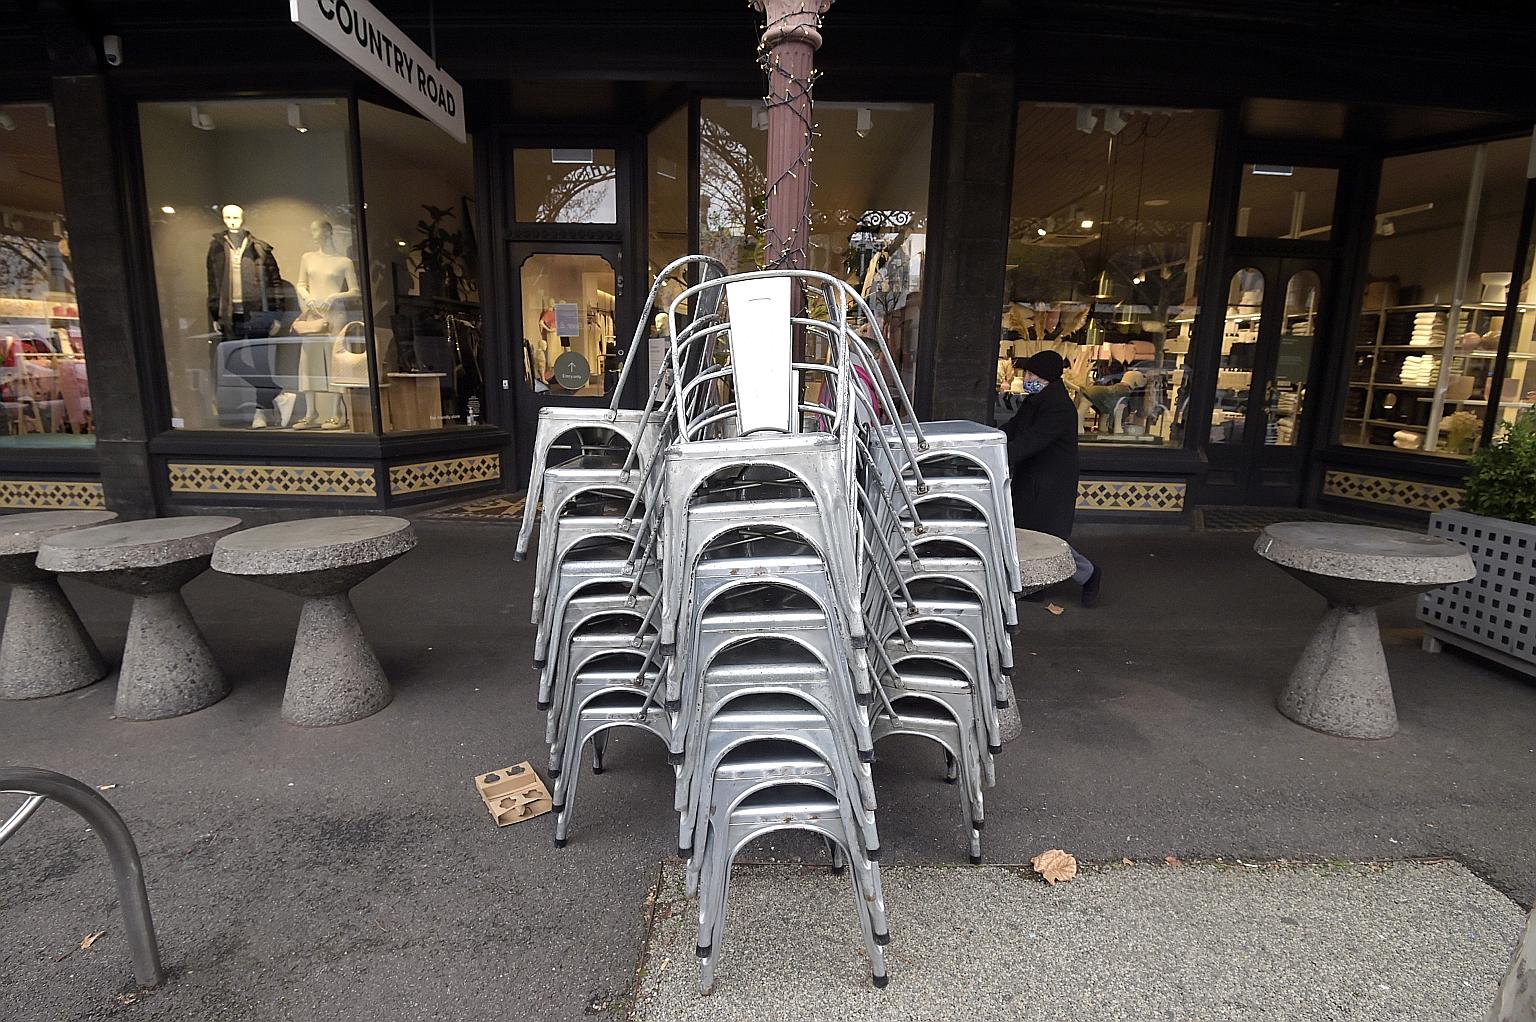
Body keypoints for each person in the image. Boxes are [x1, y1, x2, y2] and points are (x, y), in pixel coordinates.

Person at [1002, 350, 1102, 608]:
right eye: (1026, 374)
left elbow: (1033, 440)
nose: (1026, 379)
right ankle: (1034, 584)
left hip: (1050, 483)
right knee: (1026, 532)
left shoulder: (1058, 407)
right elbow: (1014, 429)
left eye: (1031, 375)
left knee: (1047, 540)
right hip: (1034, 478)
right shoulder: (1036, 401)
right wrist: (991, 441)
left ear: (1046, 378)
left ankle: (1089, 573)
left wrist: (1001, 454)